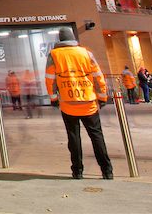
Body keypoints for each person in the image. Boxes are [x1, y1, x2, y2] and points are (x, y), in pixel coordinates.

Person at [45, 27, 113, 180]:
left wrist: (53, 99)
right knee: (97, 136)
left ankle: (77, 171)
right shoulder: (85, 53)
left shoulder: (54, 55)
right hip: (88, 102)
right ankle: (107, 171)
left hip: (68, 103)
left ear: (60, 39)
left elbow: (50, 79)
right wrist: (102, 97)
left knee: (74, 138)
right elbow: (98, 76)